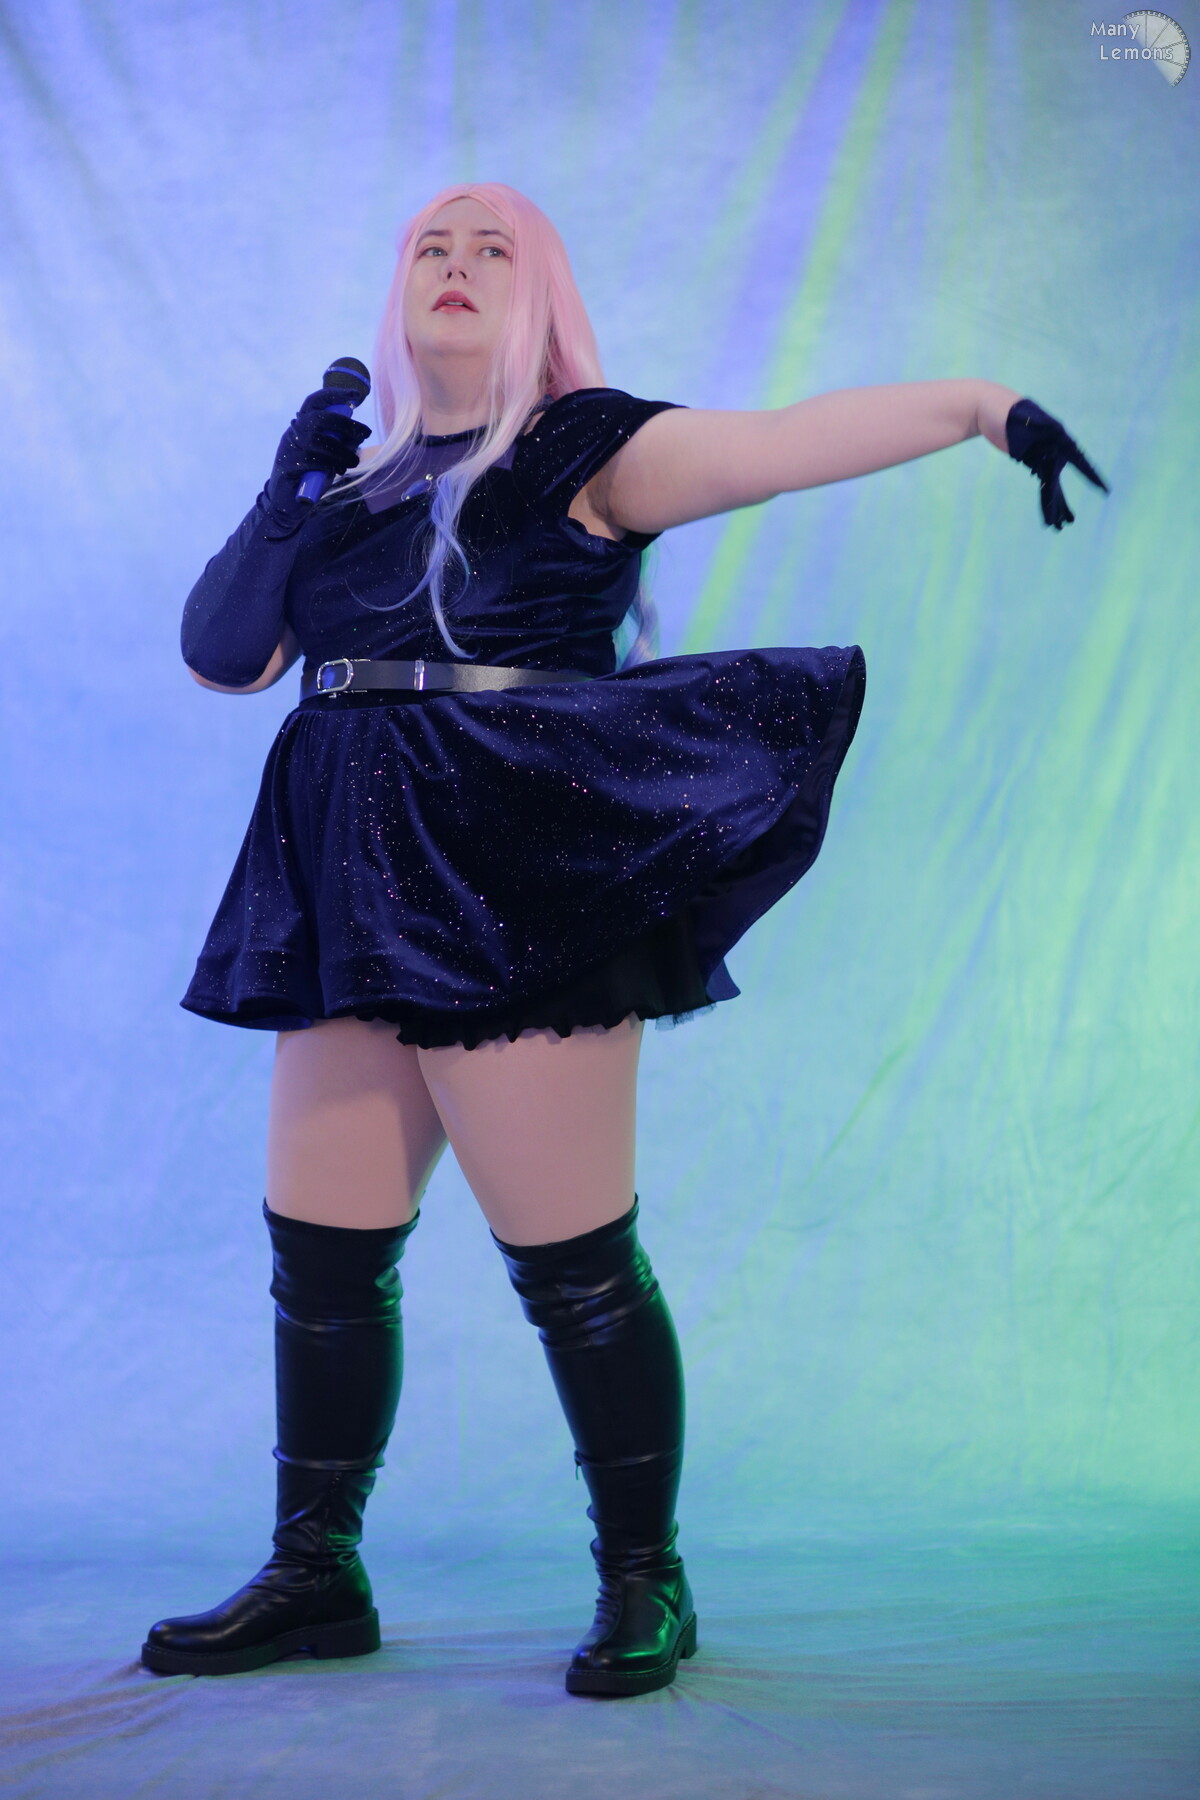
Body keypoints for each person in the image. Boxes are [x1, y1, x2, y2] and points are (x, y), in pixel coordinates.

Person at [140, 182, 1107, 1695]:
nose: (457, 264)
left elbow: (785, 439)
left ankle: (647, 1579)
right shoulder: (349, 485)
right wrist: (284, 498)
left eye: (493, 248)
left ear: (538, 294)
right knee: (320, 1258)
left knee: (572, 1264)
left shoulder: (584, 449)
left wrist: (986, 409)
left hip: (515, 882)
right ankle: (314, 1573)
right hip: (343, 881)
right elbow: (223, 656)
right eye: (430, 245)